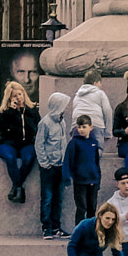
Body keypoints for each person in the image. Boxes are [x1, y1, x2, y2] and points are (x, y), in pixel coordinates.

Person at [0, 82, 40, 204]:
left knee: (29, 158)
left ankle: (15, 187)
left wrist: (25, 112)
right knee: (10, 158)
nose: (18, 97)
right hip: (8, 143)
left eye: (20, 94)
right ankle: (19, 188)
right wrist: (11, 111)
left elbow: (36, 126)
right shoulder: (5, 111)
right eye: (14, 95)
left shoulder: (32, 110)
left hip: (26, 143)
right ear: (9, 98)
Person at [36, 84, 73, 238]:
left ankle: (56, 227)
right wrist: (45, 164)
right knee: (47, 198)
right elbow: (39, 144)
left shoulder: (62, 122)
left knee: (58, 198)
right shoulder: (44, 123)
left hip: (60, 166)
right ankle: (46, 227)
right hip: (49, 167)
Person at [70, 69, 116, 164]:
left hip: (78, 126)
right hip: (95, 125)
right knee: (96, 151)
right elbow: (107, 111)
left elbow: (75, 111)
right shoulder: (100, 93)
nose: (101, 85)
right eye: (100, 82)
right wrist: (108, 132)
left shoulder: (78, 94)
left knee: (78, 152)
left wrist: (73, 129)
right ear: (95, 82)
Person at [65, 116, 103, 228]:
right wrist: (67, 176)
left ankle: (91, 231)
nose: (81, 129)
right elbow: (68, 160)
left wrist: (98, 179)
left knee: (92, 207)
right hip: (80, 181)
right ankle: (79, 231)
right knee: (81, 207)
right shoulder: (74, 143)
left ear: (91, 127)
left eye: (84, 127)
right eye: (79, 127)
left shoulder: (94, 143)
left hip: (93, 180)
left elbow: (96, 162)